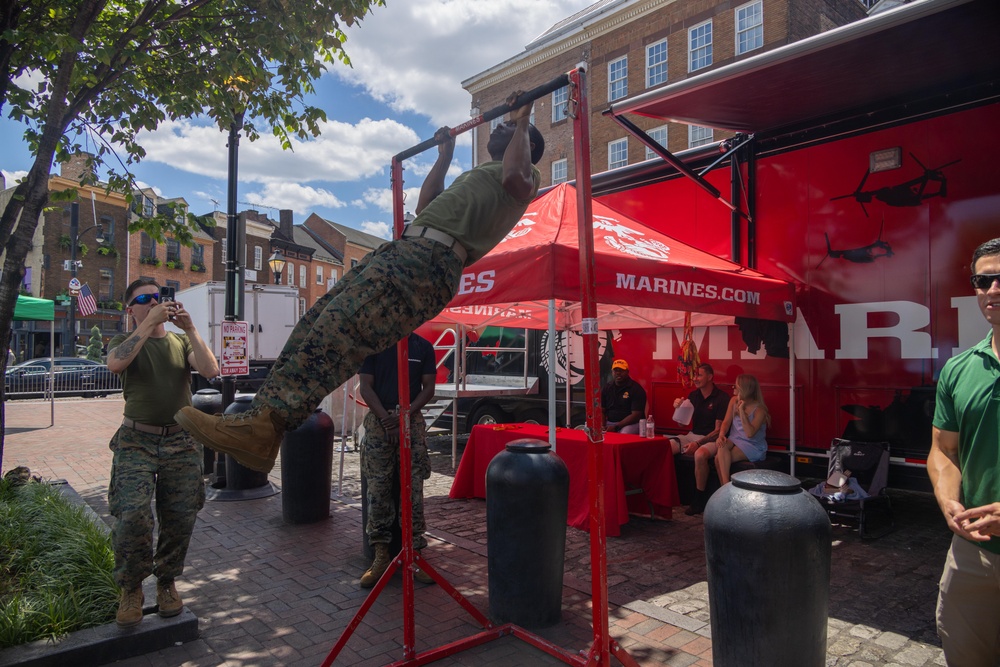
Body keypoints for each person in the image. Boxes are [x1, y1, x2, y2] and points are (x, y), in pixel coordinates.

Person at [174, 90, 544, 473]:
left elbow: (517, 176)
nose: (501, 125)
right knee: (313, 324)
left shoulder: (524, 175)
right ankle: (258, 423)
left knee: (337, 333)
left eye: (510, 126)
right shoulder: (481, 174)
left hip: (429, 262)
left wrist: (521, 118)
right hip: (407, 250)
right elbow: (424, 206)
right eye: (506, 122)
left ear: (527, 143)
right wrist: (444, 156)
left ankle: (268, 426)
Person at [106, 278, 219, 628]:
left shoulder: (180, 341)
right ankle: (131, 588)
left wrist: (191, 327)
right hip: (136, 441)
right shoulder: (124, 341)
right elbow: (115, 364)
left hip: (180, 441)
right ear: (131, 308)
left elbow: (211, 369)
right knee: (133, 514)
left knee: (181, 515)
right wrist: (146, 323)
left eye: (159, 298)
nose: (155, 302)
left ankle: (167, 582)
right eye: (145, 298)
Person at [928, 237, 1000, 666]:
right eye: (984, 279)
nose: (993, 290)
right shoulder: (959, 369)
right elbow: (943, 450)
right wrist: (947, 499)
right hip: (974, 556)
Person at [358, 333, 436, 588]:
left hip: (411, 421)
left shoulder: (422, 347)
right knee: (378, 489)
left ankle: (415, 554)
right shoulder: (375, 344)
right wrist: (386, 419)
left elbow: (429, 389)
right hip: (380, 422)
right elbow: (365, 386)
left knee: (413, 490)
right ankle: (381, 554)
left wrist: (403, 415)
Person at [686, 374, 769, 515]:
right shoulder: (733, 401)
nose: (733, 387)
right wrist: (721, 435)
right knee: (721, 446)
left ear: (745, 389)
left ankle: (724, 494)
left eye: (736, 385)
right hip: (734, 438)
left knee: (719, 459)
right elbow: (725, 422)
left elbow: (749, 433)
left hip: (752, 445)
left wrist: (742, 412)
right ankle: (726, 489)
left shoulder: (760, 409)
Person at [667, 363, 728, 455]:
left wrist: (698, 443)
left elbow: (717, 432)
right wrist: (679, 409)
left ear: (710, 377)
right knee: (667, 446)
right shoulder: (693, 395)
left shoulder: (722, 398)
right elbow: (681, 425)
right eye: (694, 375)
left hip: (712, 440)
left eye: (699, 375)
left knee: (699, 454)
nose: (695, 379)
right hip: (692, 436)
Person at [601, 359, 647, 434]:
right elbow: (602, 410)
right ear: (612, 372)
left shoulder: (636, 389)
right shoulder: (607, 388)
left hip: (631, 424)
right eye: (615, 370)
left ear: (627, 372)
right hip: (610, 423)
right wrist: (602, 426)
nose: (618, 373)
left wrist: (616, 427)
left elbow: (636, 415)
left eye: (621, 370)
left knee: (624, 434)